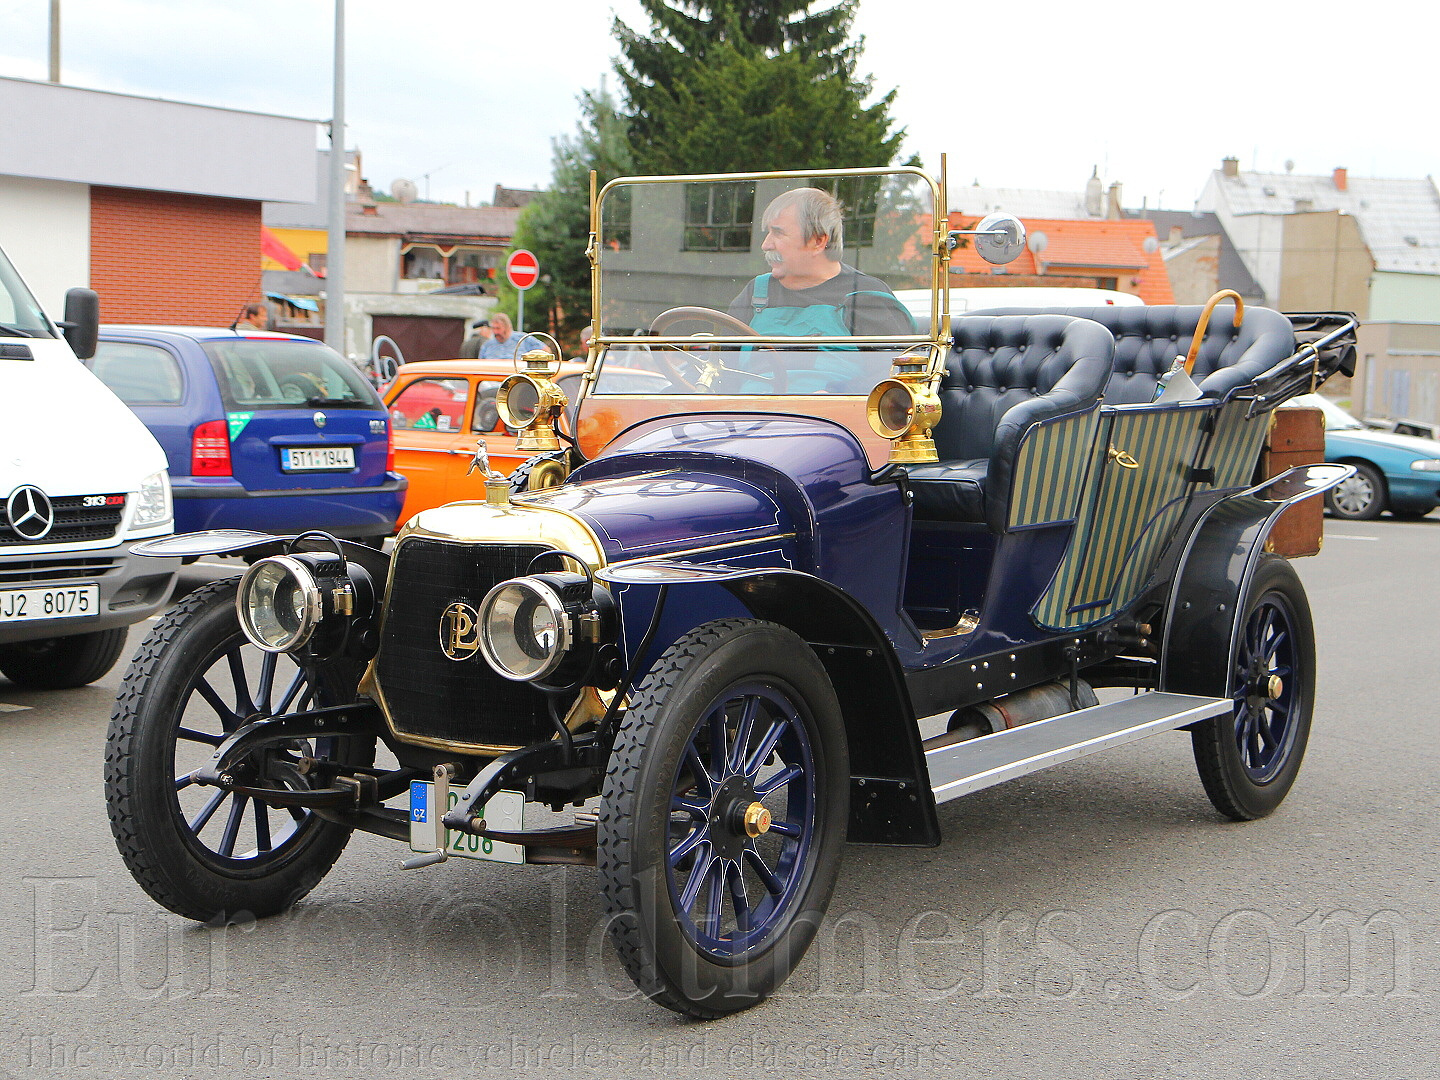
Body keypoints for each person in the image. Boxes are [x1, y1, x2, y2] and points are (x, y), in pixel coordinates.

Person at [727, 187, 914, 338]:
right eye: (768, 233)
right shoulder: (755, 294)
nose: (766, 245)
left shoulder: (867, 298)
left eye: (778, 233)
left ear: (818, 241)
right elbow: (721, 364)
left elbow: (895, 370)